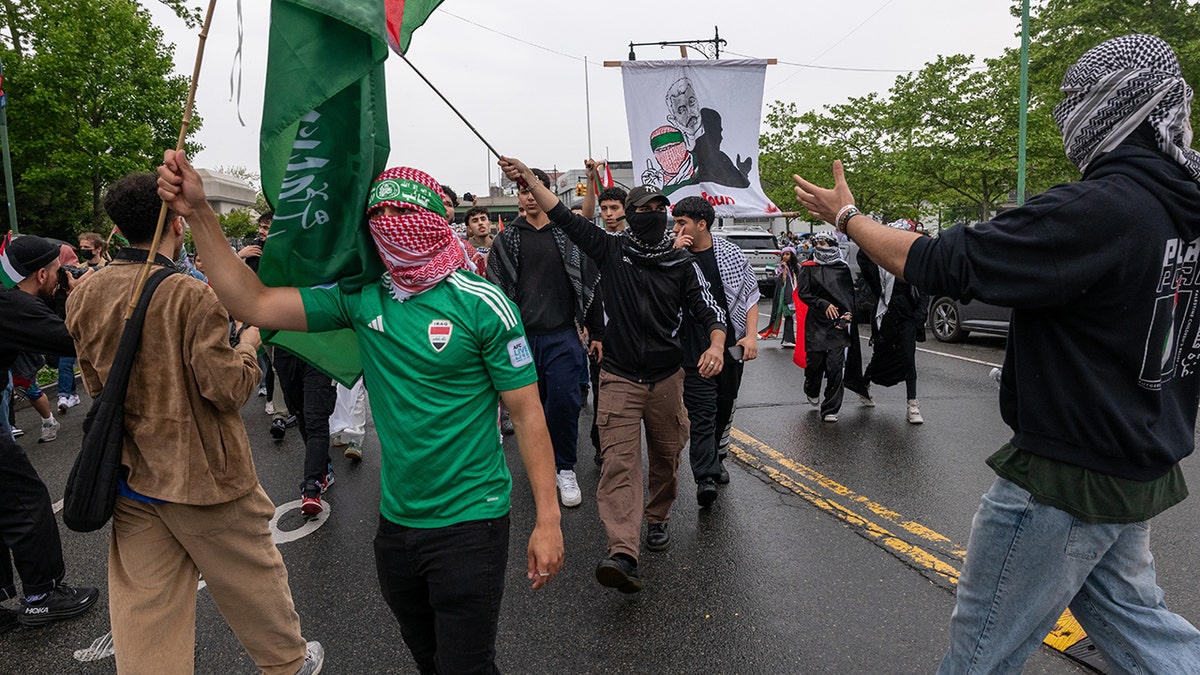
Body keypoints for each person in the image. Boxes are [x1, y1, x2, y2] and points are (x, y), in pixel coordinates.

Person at [793, 33, 1200, 674]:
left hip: (1064, 477)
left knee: (980, 654)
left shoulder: (1101, 208)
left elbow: (940, 260)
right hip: (1138, 462)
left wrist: (848, 220)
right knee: (1140, 628)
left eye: (1075, 101)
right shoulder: (1183, 206)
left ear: (1113, 107)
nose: (1067, 117)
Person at [159, 155, 563, 673]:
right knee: (428, 659)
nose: (395, 231)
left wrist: (547, 520)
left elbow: (529, 415)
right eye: (382, 220)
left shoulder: (482, 303)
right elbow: (253, 302)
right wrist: (198, 213)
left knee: (467, 666)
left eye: (405, 219)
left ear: (435, 224)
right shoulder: (363, 297)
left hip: (473, 521)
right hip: (396, 523)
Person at [66, 174, 323, 674]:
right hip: (206, 476)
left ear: (117, 229)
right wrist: (248, 343)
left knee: (146, 611)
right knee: (253, 584)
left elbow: (97, 386)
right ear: (178, 224)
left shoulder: (84, 292)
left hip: (131, 475)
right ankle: (289, 664)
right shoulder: (191, 294)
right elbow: (227, 388)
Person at [499, 155, 726, 593]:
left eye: (658, 209)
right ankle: (623, 552)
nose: (651, 215)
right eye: (643, 209)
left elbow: (710, 312)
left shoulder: (681, 265)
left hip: (666, 380)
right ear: (631, 215)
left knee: (665, 457)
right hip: (619, 378)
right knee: (619, 464)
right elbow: (562, 214)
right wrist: (528, 177)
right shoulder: (610, 249)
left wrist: (716, 344)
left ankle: (657, 518)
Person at [0, 234, 99, 633]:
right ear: (41, 273)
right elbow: (72, 340)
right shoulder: (13, 305)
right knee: (24, 502)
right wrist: (77, 296)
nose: (63, 276)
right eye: (58, 271)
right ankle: (43, 595)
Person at [487, 168, 596, 509]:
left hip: (563, 335)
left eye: (535, 189)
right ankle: (541, 470)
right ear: (517, 197)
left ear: (545, 192)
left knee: (564, 404)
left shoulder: (566, 233)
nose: (529, 196)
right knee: (529, 409)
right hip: (520, 339)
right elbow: (495, 290)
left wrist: (588, 324)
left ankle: (565, 468)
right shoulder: (507, 240)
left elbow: (588, 277)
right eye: (522, 191)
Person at [671, 195, 759, 504]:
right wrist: (672, 258)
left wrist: (751, 336)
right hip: (690, 345)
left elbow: (749, 296)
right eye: (675, 222)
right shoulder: (672, 255)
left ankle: (719, 454)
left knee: (725, 403)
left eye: (682, 223)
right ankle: (706, 476)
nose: (676, 228)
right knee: (702, 411)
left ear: (701, 224)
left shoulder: (730, 253)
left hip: (729, 343)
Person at [856, 219, 928, 424]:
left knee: (908, 357)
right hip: (885, 316)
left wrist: (919, 316)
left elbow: (924, 291)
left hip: (908, 318)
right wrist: (869, 236)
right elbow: (864, 260)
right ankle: (864, 385)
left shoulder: (913, 262)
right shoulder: (880, 263)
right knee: (880, 357)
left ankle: (912, 404)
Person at [797, 233, 855, 423]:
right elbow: (803, 293)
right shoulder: (808, 268)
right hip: (816, 322)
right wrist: (822, 304)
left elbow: (848, 294)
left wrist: (848, 313)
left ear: (832, 245)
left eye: (823, 243)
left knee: (836, 366)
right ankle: (811, 389)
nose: (820, 247)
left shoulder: (842, 268)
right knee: (815, 363)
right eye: (817, 244)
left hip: (837, 324)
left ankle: (831, 408)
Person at [775, 246, 800, 348]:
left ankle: (790, 338)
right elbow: (782, 281)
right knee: (788, 316)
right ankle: (788, 339)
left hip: (796, 294)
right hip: (786, 296)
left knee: (795, 317)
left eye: (787, 254)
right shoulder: (781, 268)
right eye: (783, 254)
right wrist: (784, 269)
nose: (785, 256)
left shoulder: (797, 268)